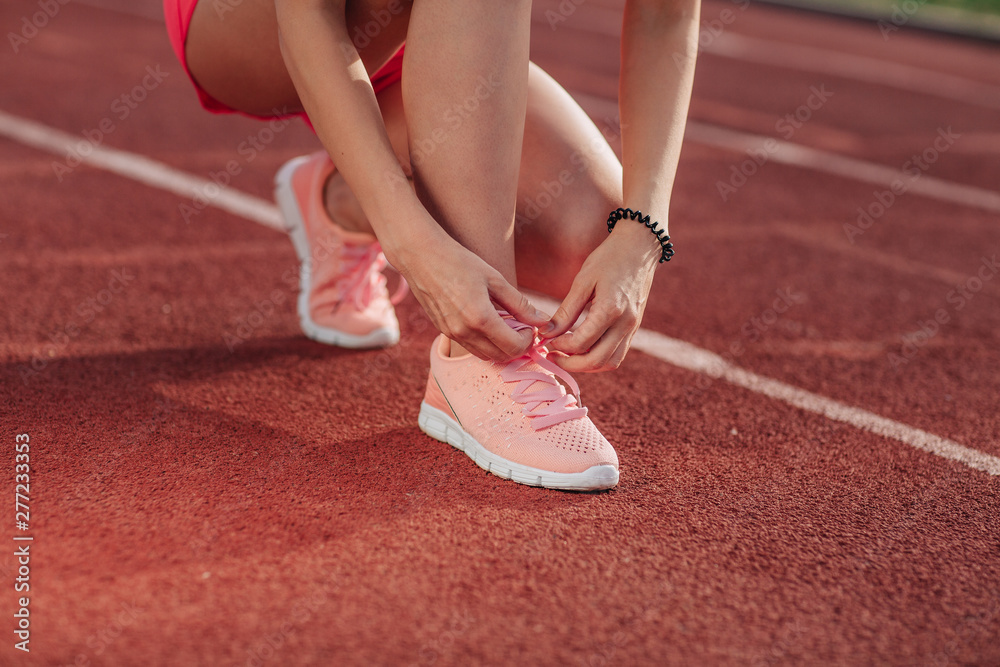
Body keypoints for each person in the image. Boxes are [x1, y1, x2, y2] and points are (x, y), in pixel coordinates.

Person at [164, 0, 701, 490]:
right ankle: (479, 358)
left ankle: (339, 201)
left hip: (441, 35)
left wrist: (643, 231)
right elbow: (306, 20)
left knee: (585, 239)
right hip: (260, 23)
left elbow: (666, 15)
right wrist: (408, 239)